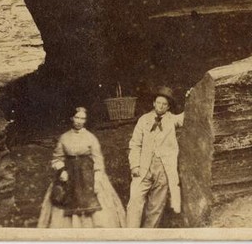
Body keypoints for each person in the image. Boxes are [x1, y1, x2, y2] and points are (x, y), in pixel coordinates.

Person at [37, 107, 126, 228]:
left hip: (88, 176)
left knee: (97, 209)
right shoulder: (64, 137)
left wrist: (97, 179)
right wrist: (61, 170)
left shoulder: (91, 138)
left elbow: (98, 160)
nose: (79, 121)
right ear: (72, 118)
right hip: (69, 176)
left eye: (82, 118)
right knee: (62, 206)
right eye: (77, 117)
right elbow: (57, 158)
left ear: (85, 120)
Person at [126, 86, 188, 228]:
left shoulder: (172, 119)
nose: (161, 106)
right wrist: (134, 165)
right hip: (143, 168)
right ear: (154, 103)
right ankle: (130, 235)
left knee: (156, 207)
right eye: (158, 103)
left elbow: (187, 115)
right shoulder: (144, 120)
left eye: (164, 104)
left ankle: (148, 238)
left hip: (163, 169)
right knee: (135, 201)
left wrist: (190, 97)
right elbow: (135, 144)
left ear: (168, 107)